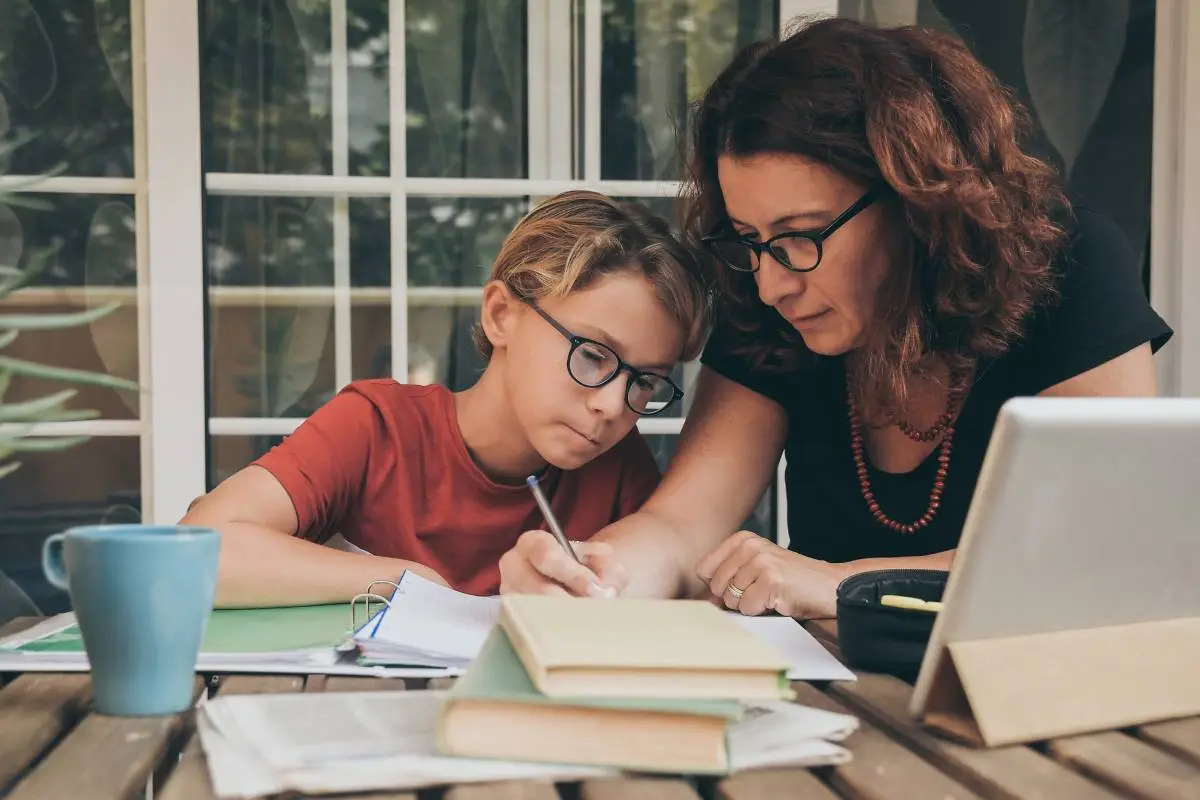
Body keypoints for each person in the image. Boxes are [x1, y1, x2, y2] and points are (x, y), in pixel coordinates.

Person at [497, 17, 1173, 618]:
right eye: (750, 240)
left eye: (800, 236)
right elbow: (679, 527)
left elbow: (1097, 549)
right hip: (841, 707)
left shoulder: (1072, 269)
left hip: (1036, 705)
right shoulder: (771, 308)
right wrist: (595, 574)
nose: (770, 283)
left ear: (916, 199)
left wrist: (842, 582)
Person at [183, 191, 710, 607]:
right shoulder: (376, 428)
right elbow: (196, 551)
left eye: (644, 381)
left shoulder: (618, 467)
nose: (614, 406)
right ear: (501, 314)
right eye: (593, 355)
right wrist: (402, 578)